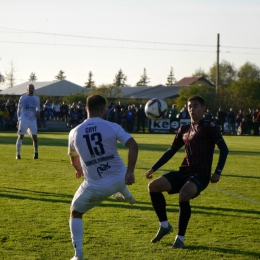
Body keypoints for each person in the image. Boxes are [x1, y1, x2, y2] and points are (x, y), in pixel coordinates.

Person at [145, 95, 228, 249]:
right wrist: (154, 168)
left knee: (184, 194)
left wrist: (218, 171)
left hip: (201, 174)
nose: (192, 109)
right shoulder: (184, 129)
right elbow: (171, 150)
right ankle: (164, 226)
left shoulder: (209, 126)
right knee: (153, 186)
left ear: (203, 109)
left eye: (195, 106)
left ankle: (180, 239)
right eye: (190, 106)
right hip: (184, 172)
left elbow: (224, 149)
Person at [68, 94, 138, 260]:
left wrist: (78, 168)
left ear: (86, 109)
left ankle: (78, 255)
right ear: (103, 110)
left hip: (96, 187)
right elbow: (133, 145)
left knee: (75, 212)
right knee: (115, 175)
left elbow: (73, 158)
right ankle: (127, 195)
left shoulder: (74, 132)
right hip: (121, 177)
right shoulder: (112, 126)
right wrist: (130, 171)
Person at [16, 84, 40, 159]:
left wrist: (38, 112)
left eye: (32, 88)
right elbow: (19, 109)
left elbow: (38, 108)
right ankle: (18, 154)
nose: (31, 89)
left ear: (34, 89)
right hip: (23, 119)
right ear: (27, 89)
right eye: (30, 88)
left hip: (32, 120)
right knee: (21, 136)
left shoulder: (36, 98)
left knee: (35, 137)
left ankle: (36, 153)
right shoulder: (23, 97)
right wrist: (19, 120)